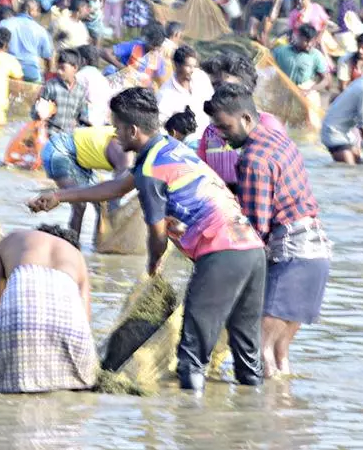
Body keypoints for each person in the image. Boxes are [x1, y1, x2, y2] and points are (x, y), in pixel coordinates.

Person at [29, 87, 266, 391]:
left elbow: (156, 234)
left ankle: (189, 429)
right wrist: (59, 196)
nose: (114, 135)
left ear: (133, 130)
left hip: (220, 254)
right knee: (247, 352)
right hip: (252, 250)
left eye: (116, 128)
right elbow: (116, 188)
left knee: (191, 356)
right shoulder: (167, 148)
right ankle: (255, 418)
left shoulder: (151, 168)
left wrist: (153, 266)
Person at [206, 83, 331, 379]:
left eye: (225, 128)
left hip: (291, 253)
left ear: (247, 119)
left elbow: (256, 229)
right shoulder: (279, 138)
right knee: (279, 355)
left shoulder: (252, 159)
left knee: (257, 351)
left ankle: (258, 418)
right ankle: (282, 415)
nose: (222, 137)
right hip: (317, 250)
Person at [0, 225, 99, 394]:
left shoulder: (9, 240)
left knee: (12, 392)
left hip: (19, 325)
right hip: (72, 330)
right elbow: (85, 320)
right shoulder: (77, 256)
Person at [198, 52, 285, 193]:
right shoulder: (211, 132)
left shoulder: (269, 126)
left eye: (223, 86)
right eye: (215, 86)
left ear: (247, 87)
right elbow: (201, 173)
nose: (218, 92)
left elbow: (282, 180)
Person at [40, 124, 129, 239]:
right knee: (79, 204)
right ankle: (72, 244)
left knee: (102, 204)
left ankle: (98, 247)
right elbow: (117, 191)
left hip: (82, 159)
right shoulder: (123, 150)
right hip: (59, 149)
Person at [157, 45, 214, 140]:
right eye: (188, 66)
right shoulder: (165, 95)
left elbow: (213, 103)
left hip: (209, 138)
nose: (192, 70)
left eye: (194, 66)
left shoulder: (201, 77)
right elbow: (161, 127)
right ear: (177, 65)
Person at [34, 49, 89, 136]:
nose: (59, 71)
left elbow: (83, 116)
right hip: (50, 134)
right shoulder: (51, 86)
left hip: (68, 137)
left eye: (63, 68)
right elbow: (37, 112)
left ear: (75, 68)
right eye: (58, 68)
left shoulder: (80, 91)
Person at [1, 0, 52, 83]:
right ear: (30, 11)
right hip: (31, 72)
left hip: (8, 70)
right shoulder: (40, 30)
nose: (39, 14)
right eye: (37, 10)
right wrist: (47, 75)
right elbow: (47, 57)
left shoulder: (5, 24)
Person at [273, 24, 331, 93]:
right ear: (298, 36)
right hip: (279, 93)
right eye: (306, 41)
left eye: (312, 41)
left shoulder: (316, 56)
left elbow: (326, 79)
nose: (309, 44)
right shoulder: (280, 51)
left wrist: (311, 89)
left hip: (301, 97)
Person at [75, 45, 112, 127]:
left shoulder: (80, 75)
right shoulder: (103, 78)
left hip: (85, 123)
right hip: (101, 123)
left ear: (84, 60)